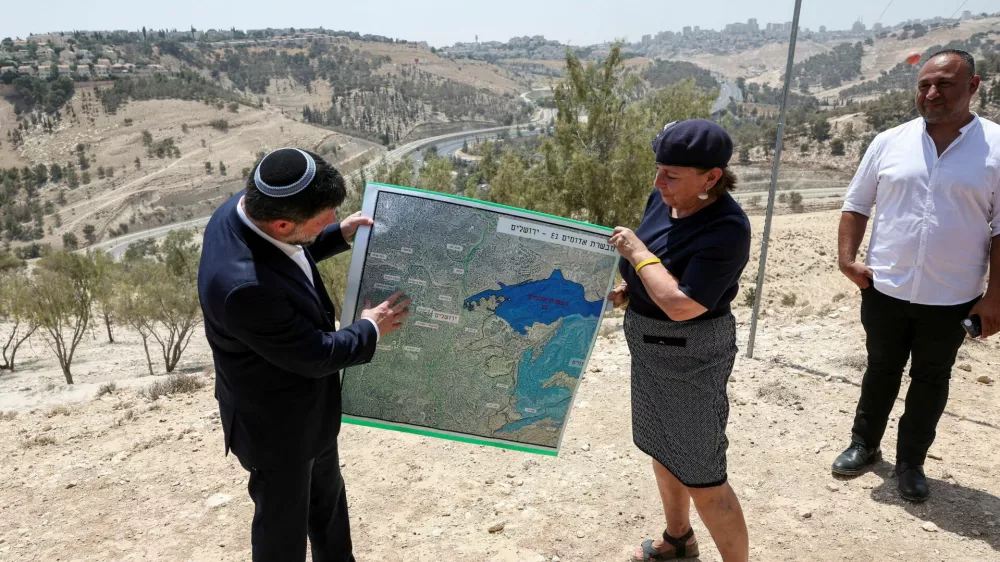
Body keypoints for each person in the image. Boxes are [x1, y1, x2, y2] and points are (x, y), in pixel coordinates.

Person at [197, 147, 410, 562]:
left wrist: (337, 234)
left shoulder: (244, 207)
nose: (332, 217)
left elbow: (286, 254)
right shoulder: (242, 287)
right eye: (324, 218)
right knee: (282, 532)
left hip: (310, 415)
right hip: (275, 430)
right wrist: (370, 328)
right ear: (282, 222)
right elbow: (315, 353)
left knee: (327, 504)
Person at [831, 49, 1000, 502]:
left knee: (931, 378)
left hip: (953, 295)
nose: (931, 93)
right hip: (885, 286)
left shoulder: (997, 147)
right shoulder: (890, 141)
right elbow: (856, 204)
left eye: (944, 83)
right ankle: (864, 446)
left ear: (974, 85)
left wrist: (994, 297)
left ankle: (911, 464)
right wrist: (848, 261)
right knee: (880, 369)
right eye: (924, 84)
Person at [608, 119, 751, 562]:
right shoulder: (663, 199)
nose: (658, 182)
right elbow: (661, 268)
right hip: (648, 350)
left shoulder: (727, 228)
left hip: (692, 359)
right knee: (662, 447)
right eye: (658, 169)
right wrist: (630, 287)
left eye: (671, 174)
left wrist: (635, 254)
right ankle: (678, 540)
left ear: (711, 178)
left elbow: (682, 304)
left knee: (703, 476)